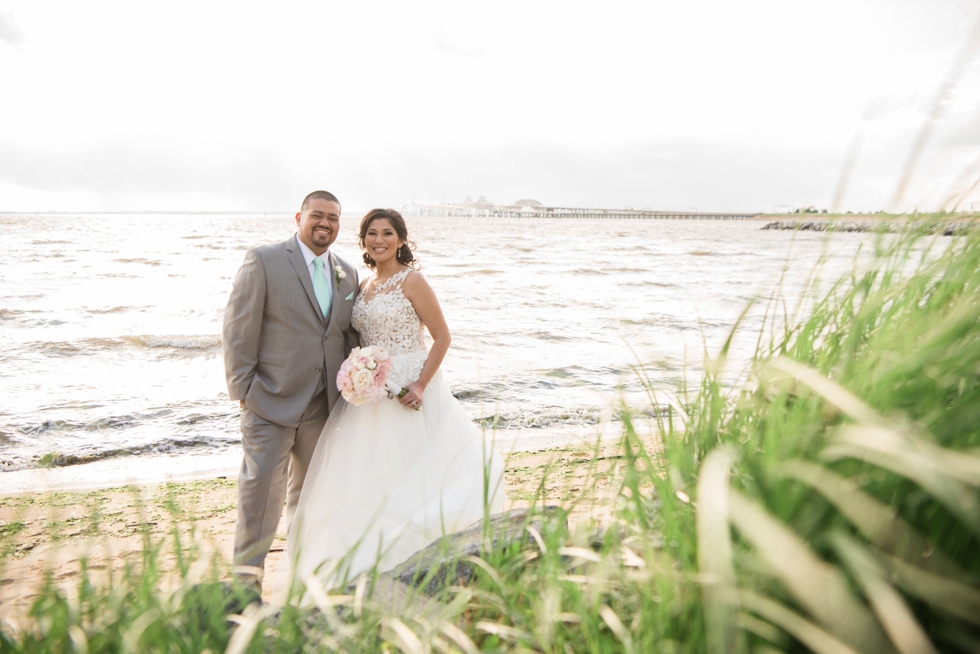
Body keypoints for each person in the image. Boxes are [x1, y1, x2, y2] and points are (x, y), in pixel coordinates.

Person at [283, 208, 505, 593]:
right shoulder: (363, 284)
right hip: (371, 393)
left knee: (413, 466)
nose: (379, 240)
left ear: (401, 239)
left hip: (411, 386)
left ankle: (418, 554)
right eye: (372, 233)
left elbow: (442, 337)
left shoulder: (412, 280)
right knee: (368, 472)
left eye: (387, 233)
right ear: (364, 240)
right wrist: (357, 374)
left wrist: (419, 384)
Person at [222, 190, 360, 590]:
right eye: (317, 215)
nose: (325, 223)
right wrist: (244, 390)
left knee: (311, 499)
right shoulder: (264, 260)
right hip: (269, 401)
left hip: (323, 405)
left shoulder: (347, 273)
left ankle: (303, 583)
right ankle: (245, 588)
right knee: (260, 497)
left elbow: (344, 336)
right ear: (298, 217)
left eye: (333, 218)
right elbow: (237, 329)